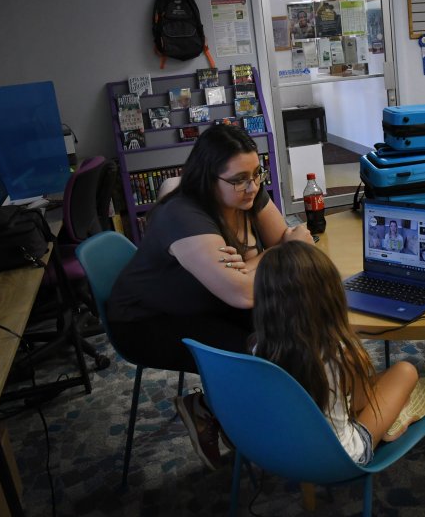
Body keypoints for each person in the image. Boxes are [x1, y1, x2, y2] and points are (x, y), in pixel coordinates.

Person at [106, 124, 314, 469]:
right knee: (256, 353)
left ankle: (285, 417)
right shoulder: (183, 216)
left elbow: (280, 243)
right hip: (147, 321)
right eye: (239, 179)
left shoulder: (245, 191)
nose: (252, 186)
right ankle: (207, 409)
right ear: (207, 177)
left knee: (288, 322)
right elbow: (244, 291)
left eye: (257, 173)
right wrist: (265, 259)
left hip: (202, 299)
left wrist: (251, 262)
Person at [251, 241, 425, 463]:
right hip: (342, 457)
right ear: (331, 298)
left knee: (376, 379)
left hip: (282, 449)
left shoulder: (258, 350)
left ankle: (392, 408)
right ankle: (394, 414)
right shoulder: (338, 354)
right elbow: (358, 401)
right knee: (406, 371)